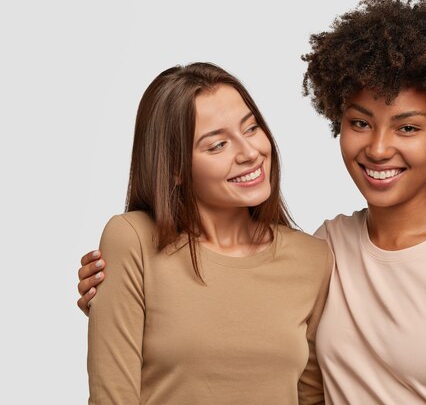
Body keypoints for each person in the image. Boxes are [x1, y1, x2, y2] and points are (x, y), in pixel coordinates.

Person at [78, 0, 426, 405]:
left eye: (408, 127)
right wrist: (119, 302)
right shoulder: (328, 247)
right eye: (359, 123)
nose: (378, 148)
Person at [81, 62, 332, 405]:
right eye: (217, 146)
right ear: (174, 169)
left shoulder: (312, 258)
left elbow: (312, 397)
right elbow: (112, 398)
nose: (250, 153)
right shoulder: (132, 240)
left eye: (252, 128)